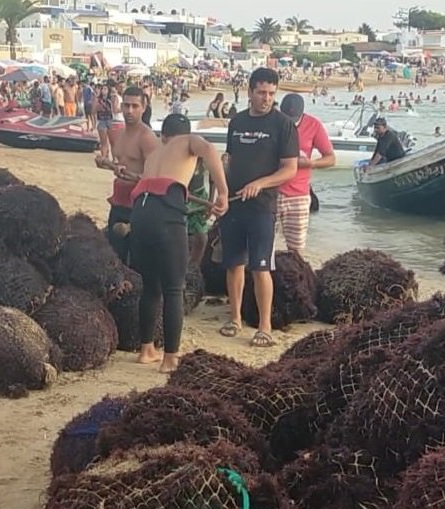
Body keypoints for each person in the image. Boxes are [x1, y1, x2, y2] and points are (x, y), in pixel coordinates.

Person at [129, 113, 228, 372]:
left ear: (164, 135)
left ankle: (146, 349)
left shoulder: (155, 155)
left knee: (151, 286)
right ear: (185, 134)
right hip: (166, 213)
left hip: (140, 211)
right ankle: (170, 358)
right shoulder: (189, 142)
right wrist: (224, 193)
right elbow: (209, 149)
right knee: (174, 287)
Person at [217, 66, 298, 349]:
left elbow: (290, 169)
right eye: (261, 93)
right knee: (233, 264)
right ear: (250, 92)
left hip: (263, 206)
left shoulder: (284, 124)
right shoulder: (236, 122)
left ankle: (265, 326)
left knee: (261, 266)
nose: (266, 98)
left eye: (271, 94)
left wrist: (261, 183)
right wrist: (221, 188)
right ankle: (235, 318)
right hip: (234, 204)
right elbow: (229, 158)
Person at [95, 86, 159, 264]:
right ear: (121, 106)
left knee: (137, 260)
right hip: (118, 202)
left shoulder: (147, 137)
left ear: (143, 108)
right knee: (116, 256)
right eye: (126, 105)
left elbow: (154, 178)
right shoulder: (118, 134)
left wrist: (131, 175)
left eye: (135, 106)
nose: (129, 111)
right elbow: (119, 165)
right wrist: (106, 163)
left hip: (137, 207)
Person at [275, 93, 334, 256]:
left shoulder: (313, 125)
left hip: (298, 194)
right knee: (263, 246)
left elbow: (330, 158)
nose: (290, 123)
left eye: (294, 119)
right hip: (270, 191)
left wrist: (309, 163)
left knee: (296, 250)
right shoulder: (272, 122)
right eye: (287, 118)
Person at [95, 80, 118, 159]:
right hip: (102, 120)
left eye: (105, 89)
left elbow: (114, 110)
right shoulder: (98, 99)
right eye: (102, 89)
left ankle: (114, 158)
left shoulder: (111, 99)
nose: (103, 90)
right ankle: (104, 157)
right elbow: (94, 110)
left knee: (113, 142)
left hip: (110, 120)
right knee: (103, 141)